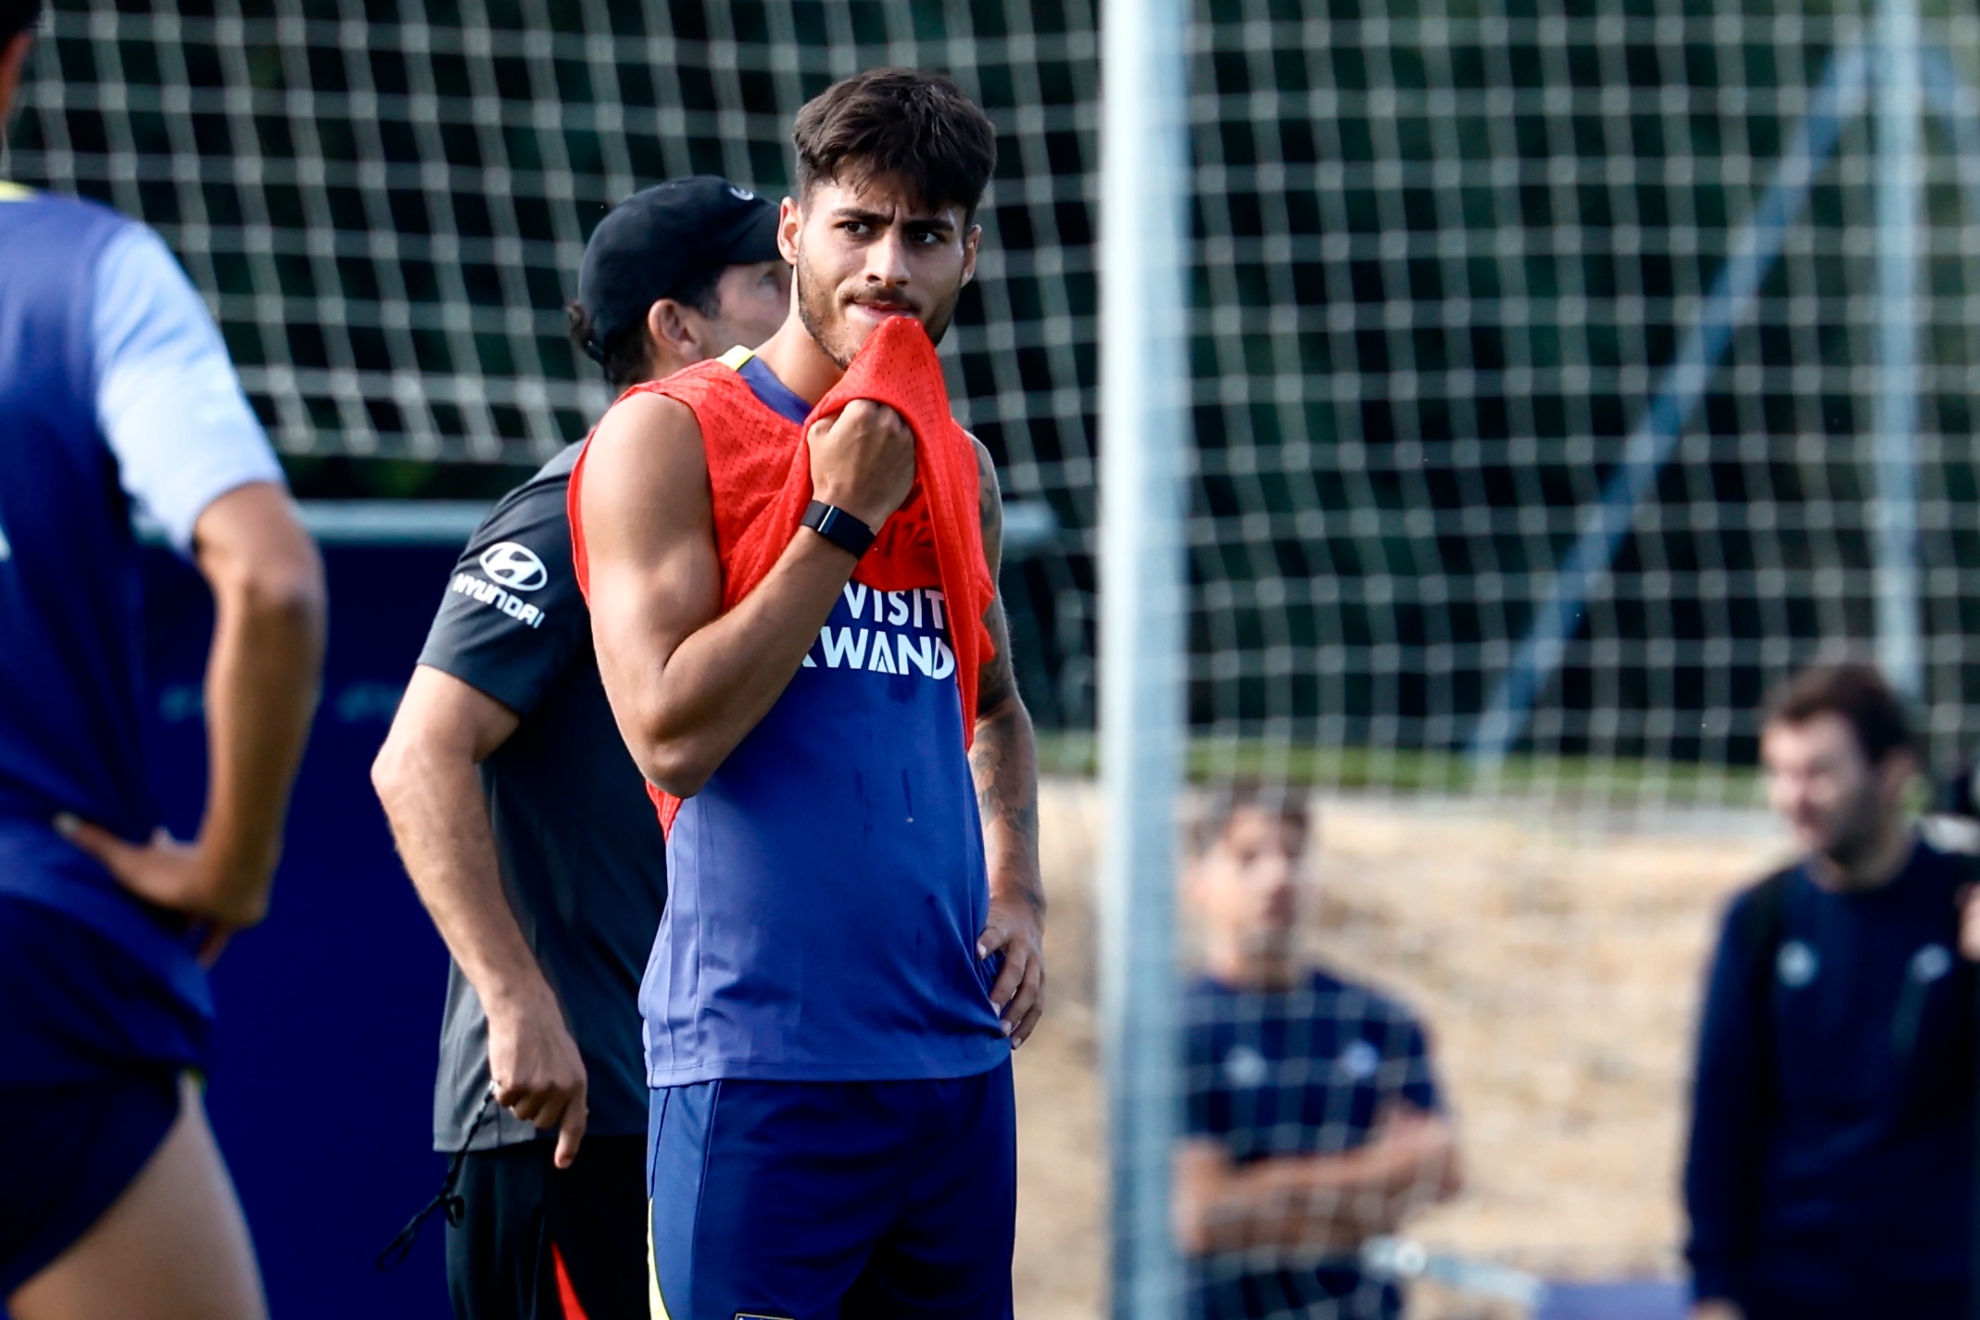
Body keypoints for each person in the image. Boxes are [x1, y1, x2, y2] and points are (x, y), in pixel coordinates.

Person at [573, 68, 1045, 1319]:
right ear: (795, 234)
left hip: (950, 1073)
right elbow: (669, 736)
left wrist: (1021, 891)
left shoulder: (962, 466)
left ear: (968, 256)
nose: (889, 268)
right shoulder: (667, 433)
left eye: (926, 236)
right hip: (757, 1072)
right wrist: (838, 518)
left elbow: (993, 706)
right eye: (859, 226)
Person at [371, 176, 789, 1320]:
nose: (803, 303)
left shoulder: (752, 518)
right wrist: (516, 1000)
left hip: (699, 1100)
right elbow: (415, 757)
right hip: (568, 1120)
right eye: (770, 280)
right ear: (679, 327)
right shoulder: (569, 505)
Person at [0, 6, 330, 1319]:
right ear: (21, 50)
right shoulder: (85, 268)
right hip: (35, 954)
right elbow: (271, 578)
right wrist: (230, 867)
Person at [1685, 663, 1980, 1320]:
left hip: (1943, 1286)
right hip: (1792, 1284)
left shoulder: (1961, 899)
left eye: (1819, 772)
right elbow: (1722, 1110)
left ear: (1893, 772)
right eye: (1780, 773)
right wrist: (1714, 1286)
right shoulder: (1763, 918)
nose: (1795, 797)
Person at [1176, 786, 1462, 1320]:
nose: (1277, 876)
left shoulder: (1378, 1018)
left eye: (1294, 853)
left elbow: (1442, 1171)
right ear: (1198, 882)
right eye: (1249, 857)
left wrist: (1261, 1190)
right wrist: (1373, 1182)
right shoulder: (1177, 1029)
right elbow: (1203, 1216)